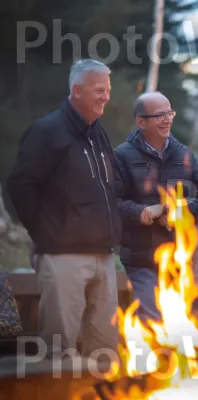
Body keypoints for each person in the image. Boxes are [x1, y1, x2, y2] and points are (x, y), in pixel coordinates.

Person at [7, 59, 121, 360]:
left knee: (106, 351)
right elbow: (20, 185)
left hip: (105, 256)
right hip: (63, 258)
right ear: (77, 90)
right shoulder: (46, 131)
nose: (106, 96)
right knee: (59, 353)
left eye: (108, 90)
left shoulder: (99, 133)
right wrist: (46, 235)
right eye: (99, 90)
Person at [113, 92, 198, 322]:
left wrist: (175, 210)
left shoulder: (184, 155)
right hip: (140, 261)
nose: (168, 119)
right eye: (159, 115)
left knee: (184, 327)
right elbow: (113, 204)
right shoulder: (121, 156)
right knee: (152, 323)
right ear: (141, 122)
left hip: (181, 263)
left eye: (169, 113)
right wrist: (143, 212)